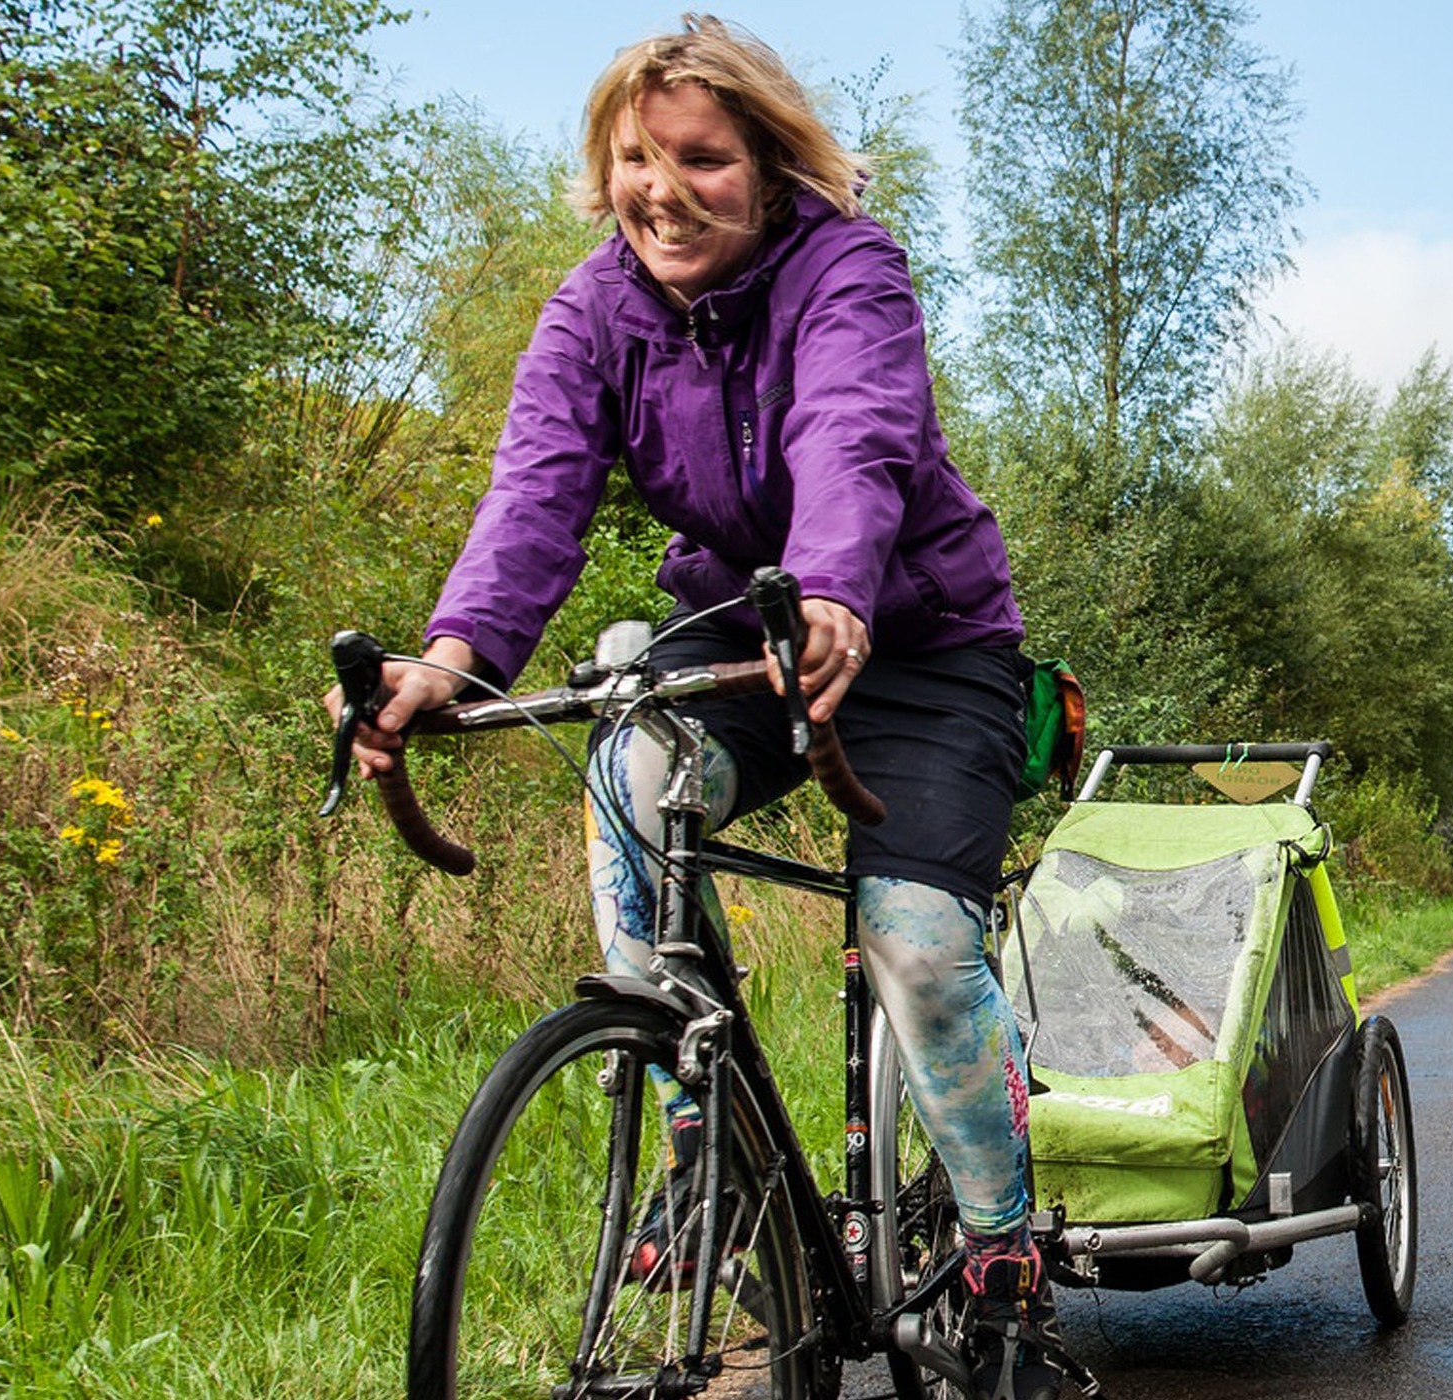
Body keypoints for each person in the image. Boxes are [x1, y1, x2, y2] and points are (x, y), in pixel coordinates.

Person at [333, 18, 1070, 1393]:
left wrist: (842, 586)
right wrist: (447, 656)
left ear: (771, 165)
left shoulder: (848, 268)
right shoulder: (594, 308)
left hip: (917, 643)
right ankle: (700, 1148)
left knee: (913, 942)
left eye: (701, 160)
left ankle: (1001, 1254)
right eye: (634, 159)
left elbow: (851, 432)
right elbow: (534, 494)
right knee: (630, 755)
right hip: (740, 627)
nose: (662, 190)